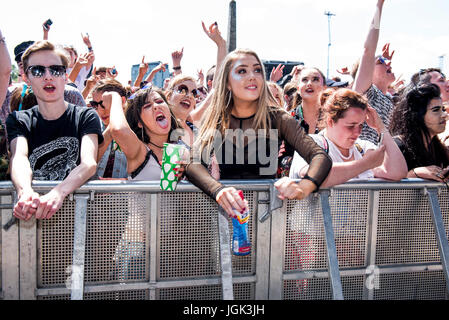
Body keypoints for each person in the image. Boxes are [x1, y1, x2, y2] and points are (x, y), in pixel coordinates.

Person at [184, 48, 332, 218]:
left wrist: (304, 186)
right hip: (226, 215)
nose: (252, 76)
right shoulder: (218, 118)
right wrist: (218, 190)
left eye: (257, 70)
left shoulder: (278, 118)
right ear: (227, 82)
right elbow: (192, 162)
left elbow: (320, 156)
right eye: (242, 71)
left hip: (267, 217)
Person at [6, 40, 103, 221]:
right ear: (26, 77)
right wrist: (25, 191)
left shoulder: (86, 116)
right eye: (38, 70)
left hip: (85, 219)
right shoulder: (19, 120)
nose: (48, 76)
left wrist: (58, 193)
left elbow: (88, 163)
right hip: (38, 221)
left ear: (65, 76)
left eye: (56, 70)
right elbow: (19, 158)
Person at [290, 88, 408, 187]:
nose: (357, 132)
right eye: (350, 126)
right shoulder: (311, 142)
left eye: (361, 125)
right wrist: (365, 164)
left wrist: (381, 128)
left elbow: (397, 172)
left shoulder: (362, 147)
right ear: (330, 122)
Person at [105, 86, 183, 180]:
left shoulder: (182, 149)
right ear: (140, 123)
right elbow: (118, 129)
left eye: (159, 101)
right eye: (147, 106)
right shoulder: (138, 151)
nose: (156, 106)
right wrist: (115, 97)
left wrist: (186, 170)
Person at [352, 0, 396, 145]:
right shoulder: (366, 94)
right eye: (380, 62)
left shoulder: (390, 100)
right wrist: (379, 5)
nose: (388, 63)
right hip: (363, 163)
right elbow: (368, 51)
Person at [390, 84, 449, 182]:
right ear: (417, 115)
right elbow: (384, 189)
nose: (444, 115)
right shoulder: (397, 146)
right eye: (436, 110)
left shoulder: (439, 150)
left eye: (443, 109)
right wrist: (415, 173)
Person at [90, 79, 129, 179]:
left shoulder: (136, 128)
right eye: (95, 105)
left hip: (127, 193)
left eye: (103, 104)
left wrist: (120, 182)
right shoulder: (91, 128)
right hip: (94, 192)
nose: (100, 110)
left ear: (122, 101)